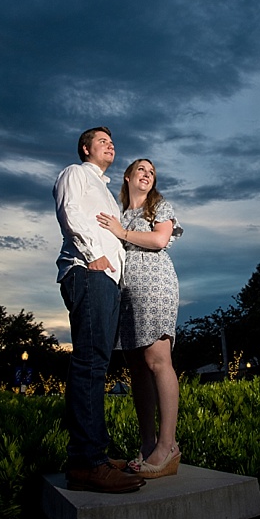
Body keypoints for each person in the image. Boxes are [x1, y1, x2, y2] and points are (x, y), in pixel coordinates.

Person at [53, 127, 145, 494]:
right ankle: (86, 462)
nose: (110, 144)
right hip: (87, 271)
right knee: (90, 362)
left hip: (107, 279)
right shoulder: (75, 174)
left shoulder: (106, 191)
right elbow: (69, 212)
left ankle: (96, 455)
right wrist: (95, 257)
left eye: (112, 141)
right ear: (85, 148)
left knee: (99, 363)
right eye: (102, 141)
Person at [97, 158, 183, 479]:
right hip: (127, 292)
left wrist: (121, 232)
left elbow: (160, 240)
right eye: (141, 170)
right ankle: (147, 445)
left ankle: (167, 446)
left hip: (155, 284)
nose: (146, 175)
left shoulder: (158, 206)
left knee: (158, 360)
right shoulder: (119, 212)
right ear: (128, 176)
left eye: (151, 172)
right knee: (136, 367)